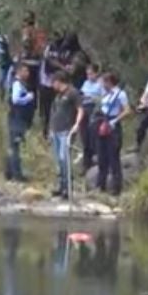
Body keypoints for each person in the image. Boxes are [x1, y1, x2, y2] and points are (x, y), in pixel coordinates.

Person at [49, 71, 84, 200]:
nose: (52, 85)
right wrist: (51, 129)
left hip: (66, 130)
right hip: (56, 130)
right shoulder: (58, 95)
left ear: (59, 81)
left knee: (65, 158)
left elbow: (80, 109)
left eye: (53, 83)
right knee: (58, 159)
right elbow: (54, 112)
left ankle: (68, 187)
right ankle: (61, 186)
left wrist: (77, 124)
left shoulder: (73, 92)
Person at [95, 72, 131, 196]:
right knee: (101, 156)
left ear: (110, 82)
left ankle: (116, 188)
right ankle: (100, 185)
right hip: (102, 122)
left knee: (113, 157)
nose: (103, 85)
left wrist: (114, 121)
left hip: (113, 125)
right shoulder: (105, 94)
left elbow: (127, 110)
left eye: (104, 82)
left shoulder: (120, 94)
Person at [5, 64, 35, 182]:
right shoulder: (17, 84)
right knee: (15, 146)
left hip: (19, 119)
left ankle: (9, 172)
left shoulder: (21, 84)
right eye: (25, 70)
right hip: (17, 119)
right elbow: (15, 99)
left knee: (14, 146)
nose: (28, 73)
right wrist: (28, 97)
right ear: (19, 71)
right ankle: (16, 175)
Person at [79, 64, 104, 173]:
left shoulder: (100, 84)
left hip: (94, 109)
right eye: (87, 74)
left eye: (91, 74)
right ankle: (86, 164)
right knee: (85, 137)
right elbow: (82, 94)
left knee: (93, 136)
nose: (89, 76)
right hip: (84, 108)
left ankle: (96, 161)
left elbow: (103, 98)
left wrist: (91, 97)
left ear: (96, 73)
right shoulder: (86, 83)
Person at [39, 31, 65, 137]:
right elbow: (48, 60)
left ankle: (54, 131)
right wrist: (62, 67)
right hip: (46, 83)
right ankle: (45, 131)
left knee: (55, 109)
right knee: (45, 110)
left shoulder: (62, 50)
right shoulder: (49, 48)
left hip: (56, 85)